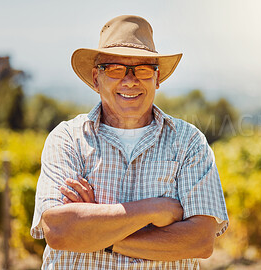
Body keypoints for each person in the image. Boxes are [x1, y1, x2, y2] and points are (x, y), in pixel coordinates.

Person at [30, 15, 228, 269]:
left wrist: (95, 231)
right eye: (114, 68)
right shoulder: (67, 138)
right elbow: (58, 230)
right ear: (95, 78)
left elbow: (200, 241)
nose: (130, 80)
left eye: (143, 69)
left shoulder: (189, 142)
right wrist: (154, 208)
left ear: (157, 79)